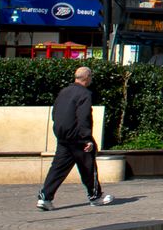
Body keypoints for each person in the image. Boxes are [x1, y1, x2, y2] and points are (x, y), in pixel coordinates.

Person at [38, 67, 113, 209]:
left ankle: (45, 197)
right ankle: (95, 196)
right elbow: (83, 116)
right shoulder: (84, 94)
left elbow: (55, 113)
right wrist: (87, 139)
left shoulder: (64, 92)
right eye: (91, 77)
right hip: (78, 137)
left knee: (58, 168)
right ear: (87, 78)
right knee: (88, 166)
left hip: (63, 137)